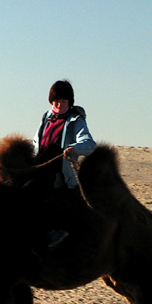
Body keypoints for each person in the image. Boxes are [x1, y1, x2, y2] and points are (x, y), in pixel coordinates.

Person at [31, 80, 96, 249]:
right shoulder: (46, 118)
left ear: (70, 102)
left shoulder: (75, 121)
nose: (59, 105)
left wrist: (74, 148)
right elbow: (35, 143)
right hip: (39, 170)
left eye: (63, 101)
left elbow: (89, 144)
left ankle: (56, 232)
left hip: (60, 174)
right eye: (56, 101)